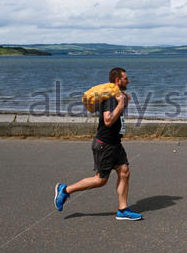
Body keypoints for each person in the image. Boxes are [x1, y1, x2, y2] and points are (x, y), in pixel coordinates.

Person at [54, 67, 142, 221]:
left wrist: (124, 101)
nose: (129, 80)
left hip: (115, 143)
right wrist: (121, 104)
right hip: (105, 144)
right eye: (126, 78)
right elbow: (108, 121)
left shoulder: (118, 96)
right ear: (117, 80)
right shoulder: (110, 99)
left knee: (124, 172)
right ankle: (65, 190)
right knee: (100, 180)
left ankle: (123, 210)